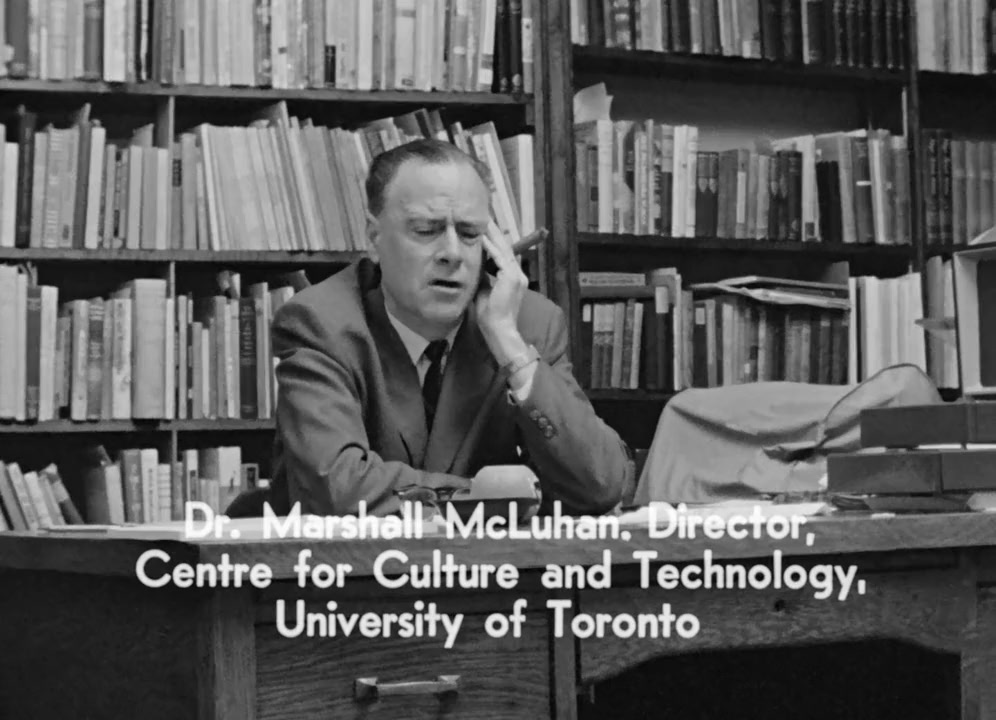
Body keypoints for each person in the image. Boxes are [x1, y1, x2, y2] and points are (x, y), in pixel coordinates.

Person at [260, 138, 631, 517]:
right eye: (426, 230)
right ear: (374, 239)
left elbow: (600, 485)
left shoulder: (527, 323)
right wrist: (493, 496)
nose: (453, 253)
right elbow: (337, 489)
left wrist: (510, 347)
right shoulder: (320, 322)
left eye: (470, 234)